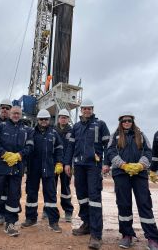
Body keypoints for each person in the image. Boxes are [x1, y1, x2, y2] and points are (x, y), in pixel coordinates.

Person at [0, 106, 34, 238]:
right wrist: (5, 154)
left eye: (18, 114)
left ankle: (10, 224)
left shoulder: (26, 130)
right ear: (10, 114)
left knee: (14, 196)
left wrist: (19, 156)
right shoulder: (0, 126)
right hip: (0, 167)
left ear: (21, 115)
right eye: (14, 113)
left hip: (16, 168)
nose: (16, 115)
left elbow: (30, 146)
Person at [106, 112, 158, 250]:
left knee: (144, 203)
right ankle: (126, 235)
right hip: (121, 173)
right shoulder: (115, 135)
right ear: (120, 122)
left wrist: (141, 165)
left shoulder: (140, 135)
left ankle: (152, 237)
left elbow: (148, 151)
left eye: (129, 120)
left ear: (133, 121)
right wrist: (122, 164)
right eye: (124, 121)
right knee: (123, 204)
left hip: (139, 174)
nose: (127, 122)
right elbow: (110, 152)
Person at [64, 99, 110, 249]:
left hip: (93, 165)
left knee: (94, 197)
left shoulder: (100, 125)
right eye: (84, 109)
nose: (86, 111)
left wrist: (106, 162)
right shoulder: (76, 127)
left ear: (92, 109)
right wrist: (67, 163)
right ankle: (87, 224)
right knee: (82, 196)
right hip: (79, 165)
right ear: (81, 110)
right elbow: (70, 147)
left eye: (89, 109)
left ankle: (96, 235)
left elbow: (108, 145)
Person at [21, 109, 63, 232]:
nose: (43, 121)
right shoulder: (31, 132)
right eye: (41, 119)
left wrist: (59, 162)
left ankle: (53, 221)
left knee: (50, 195)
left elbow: (59, 149)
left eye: (45, 119)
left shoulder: (54, 133)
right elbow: (26, 149)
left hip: (49, 168)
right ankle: (31, 218)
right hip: (33, 168)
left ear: (49, 120)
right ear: (37, 120)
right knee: (31, 193)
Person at [42, 109, 74, 222]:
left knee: (65, 188)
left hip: (67, 164)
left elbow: (73, 149)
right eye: (61, 117)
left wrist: (69, 163)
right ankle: (47, 210)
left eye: (65, 117)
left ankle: (68, 212)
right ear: (58, 118)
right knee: (50, 188)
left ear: (68, 119)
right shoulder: (52, 129)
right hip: (53, 163)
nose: (63, 119)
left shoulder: (72, 131)